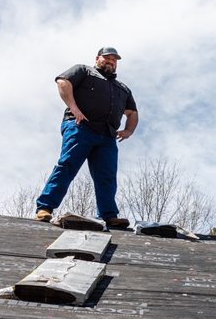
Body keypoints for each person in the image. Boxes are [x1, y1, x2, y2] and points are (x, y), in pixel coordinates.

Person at [34, 47, 138, 227]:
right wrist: (74, 108)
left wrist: (128, 131)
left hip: (107, 136)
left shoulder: (122, 88)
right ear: (98, 58)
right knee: (67, 165)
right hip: (80, 127)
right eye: (107, 58)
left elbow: (132, 113)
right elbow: (63, 81)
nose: (111, 62)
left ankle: (109, 215)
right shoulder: (84, 70)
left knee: (107, 176)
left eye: (114, 60)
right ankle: (45, 208)